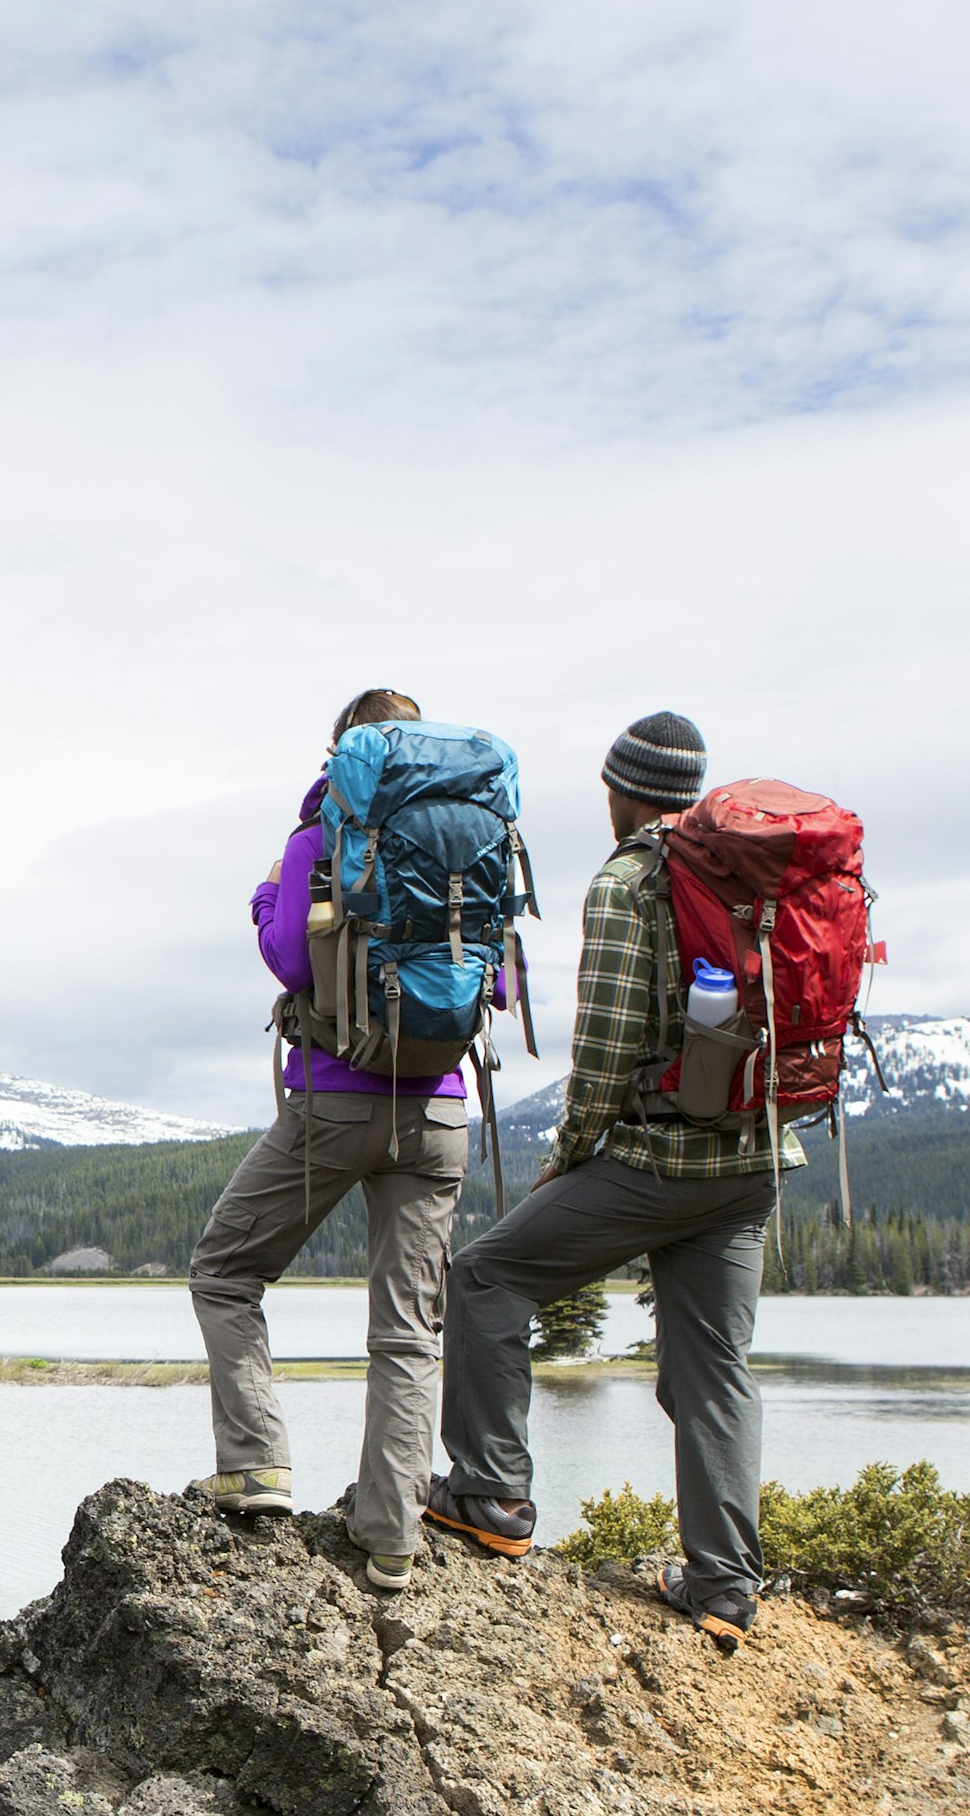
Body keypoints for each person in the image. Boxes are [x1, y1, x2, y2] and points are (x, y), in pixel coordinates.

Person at [421, 710, 797, 1642]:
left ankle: (491, 1496)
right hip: (752, 1165)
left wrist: (570, 1153)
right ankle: (723, 1591)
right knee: (715, 1372)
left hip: (656, 1162)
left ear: (619, 790)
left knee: (485, 1277)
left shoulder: (631, 881)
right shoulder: (757, 877)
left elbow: (604, 1047)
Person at [185, 688, 475, 1591]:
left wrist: (273, 895)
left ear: (342, 751)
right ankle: (391, 1538)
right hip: (438, 1114)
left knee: (225, 1270)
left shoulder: (322, 833)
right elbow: (496, 983)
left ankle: (258, 1465)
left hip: (335, 1101)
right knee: (409, 1328)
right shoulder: (473, 839)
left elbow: (291, 960)